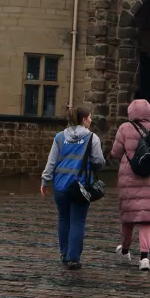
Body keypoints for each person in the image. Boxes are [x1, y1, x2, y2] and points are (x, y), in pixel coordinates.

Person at [109, 97, 150, 271]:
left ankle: (125, 250)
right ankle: (144, 258)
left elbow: (115, 152)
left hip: (128, 177)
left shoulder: (124, 128)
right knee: (146, 218)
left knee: (128, 217)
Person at [40, 105, 104, 269]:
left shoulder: (59, 137)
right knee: (78, 221)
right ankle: (73, 258)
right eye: (89, 117)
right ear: (83, 119)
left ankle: (64, 253)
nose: (91, 120)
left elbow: (52, 162)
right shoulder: (92, 138)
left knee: (63, 218)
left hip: (60, 185)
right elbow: (99, 161)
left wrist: (45, 181)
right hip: (80, 186)